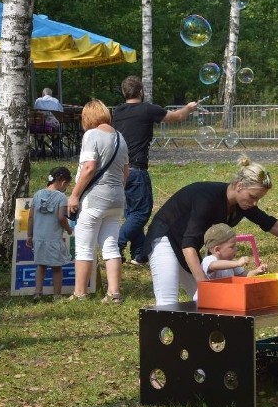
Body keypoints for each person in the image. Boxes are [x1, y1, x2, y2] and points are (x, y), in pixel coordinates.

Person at [145, 158, 278, 306]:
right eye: (253, 197)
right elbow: (188, 244)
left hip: (185, 243)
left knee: (207, 302)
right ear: (239, 185)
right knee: (168, 301)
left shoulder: (242, 204)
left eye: (258, 199)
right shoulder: (207, 199)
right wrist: (204, 284)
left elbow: (270, 223)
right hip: (165, 237)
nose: (254, 203)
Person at [112, 76, 199, 266]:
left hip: (119, 170)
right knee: (141, 213)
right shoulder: (147, 109)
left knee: (132, 213)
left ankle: (138, 254)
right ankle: (116, 244)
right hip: (136, 168)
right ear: (141, 91)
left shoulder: (117, 111)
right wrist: (189, 108)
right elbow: (177, 117)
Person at [67, 99, 129, 303]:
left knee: (84, 247)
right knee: (110, 245)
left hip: (94, 198)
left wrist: (75, 194)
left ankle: (80, 293)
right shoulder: (120, 137)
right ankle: (114, 293)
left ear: (88, 117)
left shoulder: (91, 135)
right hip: (116, 199)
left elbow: (89, 167)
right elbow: (125, 172)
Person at [26, 167, 73, 300]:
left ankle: (37, 292)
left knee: (41, 265)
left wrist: (30, 235)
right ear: (63, 182)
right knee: (57, 267)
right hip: (53, 239)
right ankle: (57, 295)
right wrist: (69, 229)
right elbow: (61, 218)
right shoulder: (61, 197)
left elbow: (30, 217)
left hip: (38, 238)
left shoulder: (37, 194)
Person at [192, 223, 268, 301]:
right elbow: (214, 265)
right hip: (203, 302)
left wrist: (256, 271)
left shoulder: (231, 262)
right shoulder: (209, 259)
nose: (236, 249)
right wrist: (237, 263)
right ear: (217, 250)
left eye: (235, 245)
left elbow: (243, 275)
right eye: (232, 246)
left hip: (220, 300)